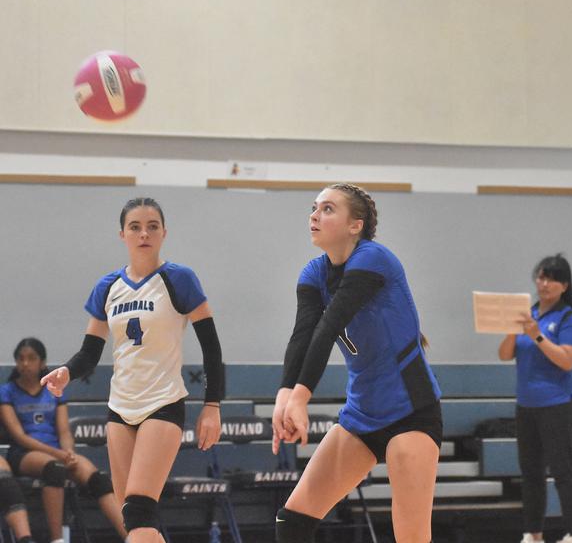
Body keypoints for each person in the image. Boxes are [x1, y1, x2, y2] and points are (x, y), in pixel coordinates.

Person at [40, 197, 225, 543]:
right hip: (120, 408)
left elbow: (211, 347)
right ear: (122, 234)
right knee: (135, 519)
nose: (144, 233)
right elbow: (90, 352)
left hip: (163, 403)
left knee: (139, 508)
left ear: (164, 233)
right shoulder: (107, 286)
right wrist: (67, 371)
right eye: (135, 227)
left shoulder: (179, 279)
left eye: (152, 226)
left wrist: (212, 405)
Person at [271, 183, 442, 543]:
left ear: (355, 225)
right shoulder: (313, 274)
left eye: (328, 209)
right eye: (314, 207)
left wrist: (301, 397)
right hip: (362, 417)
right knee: (293, 522)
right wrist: (284, 397)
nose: (315, 215)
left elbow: (330, 324)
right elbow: (303, 336)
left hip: (410, 413)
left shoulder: (373, 259)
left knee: (411, 537)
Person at [0, 337, 127, 543]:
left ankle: (131, 537)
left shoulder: (53, 390)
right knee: (55, 468)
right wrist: (59, 455)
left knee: (98, 479)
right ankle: (58, 539)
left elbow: (64, 431)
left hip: (58, 451)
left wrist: (69, 452)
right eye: (21, 359)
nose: (25, 363)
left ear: (42, 362)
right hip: (24, 454)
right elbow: (19, 437)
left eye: (31, 358)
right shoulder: (6, 392)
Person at [498, 254, 572, 543]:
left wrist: (537, 336)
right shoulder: (529, 313)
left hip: (558, 405)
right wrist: (514, 330)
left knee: (564, 472)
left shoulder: (567, 319)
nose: (543, 283)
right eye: (540, 276)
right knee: (531, 473)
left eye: (551, 278)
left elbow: (567, 360)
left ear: (564, 285)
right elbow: (504, 355)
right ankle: (533, 533)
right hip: (527, 406)